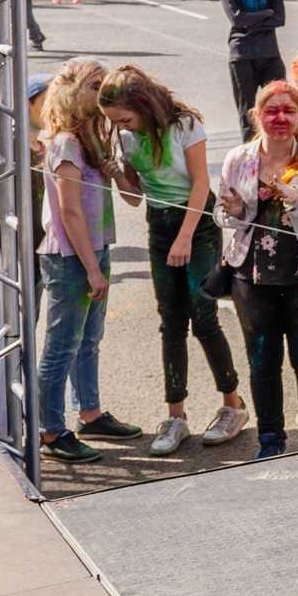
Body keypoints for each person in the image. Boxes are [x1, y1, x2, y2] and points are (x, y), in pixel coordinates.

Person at [100, 66, 247, 456]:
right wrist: (118, 176)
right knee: (171, 321)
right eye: (114, 122)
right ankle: (175, 416)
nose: (119, 126)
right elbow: (135, 196)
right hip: (160, 224)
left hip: (195, 225)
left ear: (141, 104)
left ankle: (233, 405)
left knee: (204, 316)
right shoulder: (129, 138)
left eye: (122, 118)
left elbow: (202, 183)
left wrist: (185, 236)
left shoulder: (184, 126)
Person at [214, 81, 298, 458]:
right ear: (256, 116)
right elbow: (222, 213)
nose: (280, 118)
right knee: (262, 360)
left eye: (288, 111)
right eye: (271, 111)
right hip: (251, 277)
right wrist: (232, 214)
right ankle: (270, 440)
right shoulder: (238, 159)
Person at [34, 73, 140, 462]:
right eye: (95, 84)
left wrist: (118, 173)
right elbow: (70, 212)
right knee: (62, 347)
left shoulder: (92, 139)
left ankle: (89, 412)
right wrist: (93, 270)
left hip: (95, 250)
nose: (102, 91)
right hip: (70, 257)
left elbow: (133, 199)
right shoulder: (64, 143)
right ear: (72, 91)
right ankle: (50, 431)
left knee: (88, 340)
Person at [221, 0, 288, 140]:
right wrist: (264, 14)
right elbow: (237, 18)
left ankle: (281, 145)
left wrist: (251, 22)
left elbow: (279, 18)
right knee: (247, 110)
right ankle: (249, 151)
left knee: (282, 102)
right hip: (242, 55)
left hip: (269, 52)